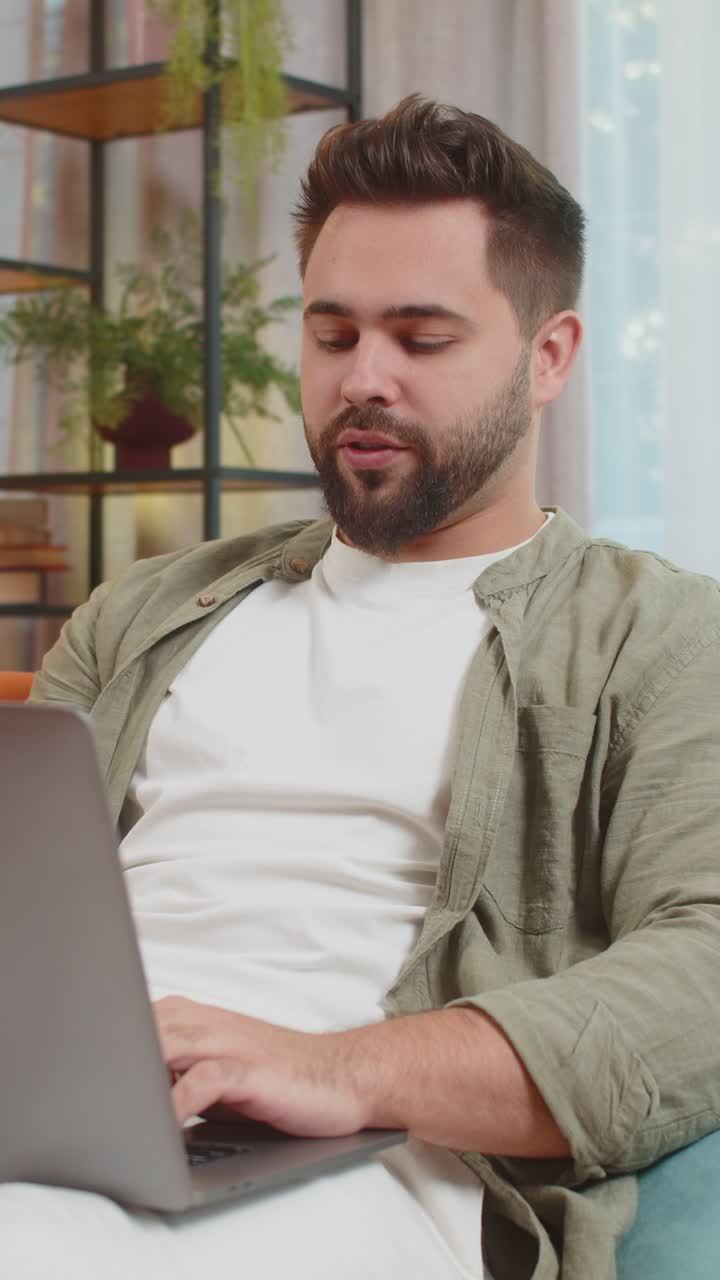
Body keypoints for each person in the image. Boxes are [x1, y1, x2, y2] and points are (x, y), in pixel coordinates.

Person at [6, 93, 720, 1280]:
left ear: (550, 357)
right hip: (74, 1120)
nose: (361, 380)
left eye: (422, 339)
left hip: (377, 1168)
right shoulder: (144, 612)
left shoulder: (658, 636)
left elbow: (706, 963)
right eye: (333, 336)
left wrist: (333, 1066)